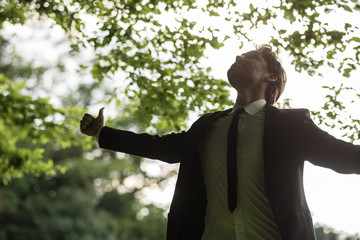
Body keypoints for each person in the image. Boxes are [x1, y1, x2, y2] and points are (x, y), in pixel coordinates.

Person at [80, 45, 360, 240]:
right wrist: (103, 134)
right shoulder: (207, 126)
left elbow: (339, 155)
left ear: (270, 76)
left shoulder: (290, 125)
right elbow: (161, 147)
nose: (238, 56)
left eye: (249, 57)